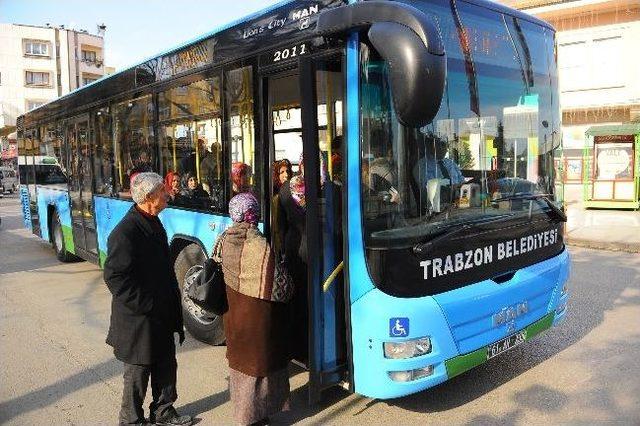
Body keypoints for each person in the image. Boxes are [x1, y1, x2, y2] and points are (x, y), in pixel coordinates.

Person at [103, 172, 192, 426]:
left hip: (160, 314)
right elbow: (116, 277)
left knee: (165, 364)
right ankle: (130, 420)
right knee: (138, 372)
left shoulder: (153, 220)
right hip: (139, 318)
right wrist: (147, 305)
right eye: (163, 190)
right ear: (150, 196)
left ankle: (163, 411)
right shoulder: (126, 231)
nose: (168, 194)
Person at [219, 193, 291, 425]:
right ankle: (255, 418)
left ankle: (244, 415)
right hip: (257, 319)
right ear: (253, 214)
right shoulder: (258, 244)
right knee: (258, 370)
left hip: (233, 316)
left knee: (241, 368)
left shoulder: (224, 238)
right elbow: (280, 288)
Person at [271, 159, 292, 257]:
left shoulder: (293, 191)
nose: (286, 175)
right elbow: (278, 226)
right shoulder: (276, 197)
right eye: (282, 172)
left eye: (287, 171)